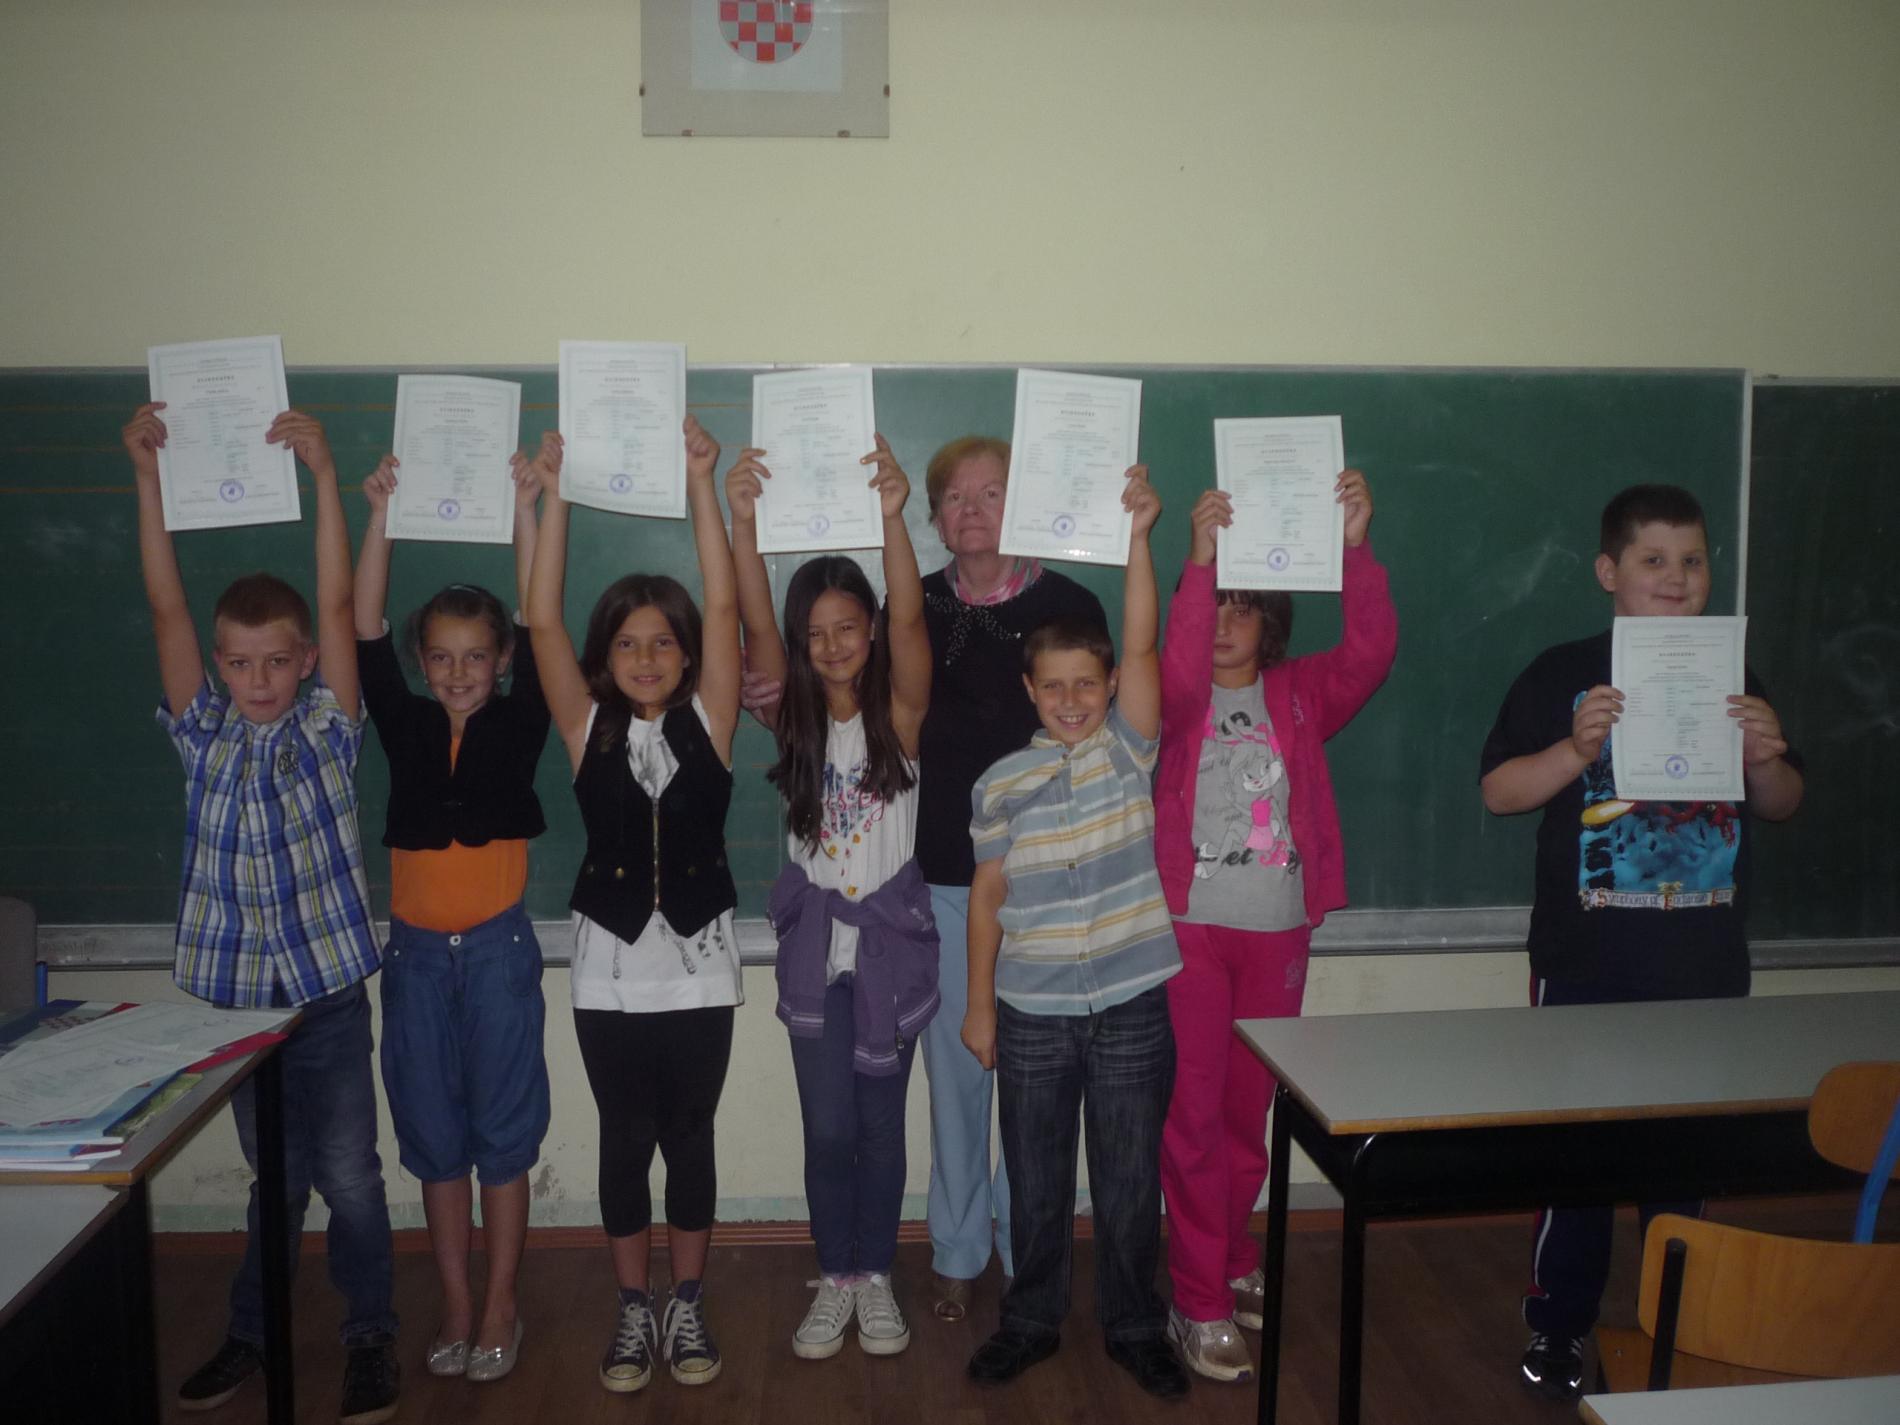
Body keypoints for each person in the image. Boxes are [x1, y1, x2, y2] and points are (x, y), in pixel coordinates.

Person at [1479, 483, 1803, 1401]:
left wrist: (1767, 759)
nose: (1677, 576)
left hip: (1704, 967)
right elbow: (1498, 791)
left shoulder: (1735, 676)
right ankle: (1559, 1325)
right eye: (1653, 559)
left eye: (1693, 560)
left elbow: (1784, 803)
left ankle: (1678, 1322)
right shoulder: (1562, 671)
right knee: (1578, 1158)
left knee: (1684, 1159)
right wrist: (1577, 753)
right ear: (1607, 571)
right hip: (1586, 963)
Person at [124, 402, 399, 1425]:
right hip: (242, 1009)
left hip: (326, 1001)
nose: (257, 679)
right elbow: (166, 610)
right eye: (238, 663)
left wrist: (325, 478)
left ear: (307, 662)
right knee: (272, 1180)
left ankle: (370, 1334)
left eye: (277, 661)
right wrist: (147, 479)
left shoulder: (330, 733)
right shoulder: (203, 736)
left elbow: (335, 601)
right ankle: (255, 1330)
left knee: (351, 1176)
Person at [1153, 473, 1396, 1381]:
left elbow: (1371, 650)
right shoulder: (1175, 701)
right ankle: (1197, 1296)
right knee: (1191, 1114)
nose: (1224, 623)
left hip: (1278, 934)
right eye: (1214, 605)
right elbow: (1179, 667)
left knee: (1247, 1111)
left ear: (1271, 623)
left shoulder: (1300, 694)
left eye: (1242, 607)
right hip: (1190, 931)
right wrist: (1200, 560)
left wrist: (1356, 547)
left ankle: (1229, 1255)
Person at [960, 468, 1190, 1400]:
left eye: (1086, 684)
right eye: (1052, 686)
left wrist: (1138, 536)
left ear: (1110, 687)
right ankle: (1030, 1319)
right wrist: (980, 1006)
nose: (1070, 699)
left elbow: (1140, 638)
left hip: (1131, 1003)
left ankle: (1135, 1324)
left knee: (1131, 1181)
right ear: (1029, 688)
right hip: (1032, 1008)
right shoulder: (998, 785)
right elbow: (987, 896)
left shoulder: (1128, 750)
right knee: (1038, 1178)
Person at [524, 418, 744, 1394]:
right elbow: (539, 621)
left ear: (688, 656)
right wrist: (556, 496)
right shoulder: (587, 727)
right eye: (626, 642)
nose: (646, 656)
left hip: (699, 974)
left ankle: (686, 1303)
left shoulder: (710, 721)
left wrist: (702, 482)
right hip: (609, 977)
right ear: (604, 655)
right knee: (623, 1142)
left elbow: (726, 603)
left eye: (663, 642)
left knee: (690, 1138)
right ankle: (631, 1307)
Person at [729, 434, 937, 1360]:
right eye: (815, 634)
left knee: (882, 1126)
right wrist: (742, 524)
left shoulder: (901, 715)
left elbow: (911, 620)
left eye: (847, 627)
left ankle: (877, 1273)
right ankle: (837, 1273)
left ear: (870, 628)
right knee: (828, 1125)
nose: (832, 645)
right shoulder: (793, 715)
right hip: (817, 948)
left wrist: (892, 515)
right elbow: (756, 623)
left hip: (890, 944)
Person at [351, 451, 552, 1383]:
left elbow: (539, 614)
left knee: (503, 1137)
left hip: (500, 954)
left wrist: (525, 508)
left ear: (501, 661)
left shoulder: (521, 719)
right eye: (440, 656)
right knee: (434, 1141)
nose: (459, 671)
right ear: (421, 662)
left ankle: (502, 1298)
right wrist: (379, 516)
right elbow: (362, 629)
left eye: (477, 656)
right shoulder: (404, 723)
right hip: (418, 960)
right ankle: (458, 1302)